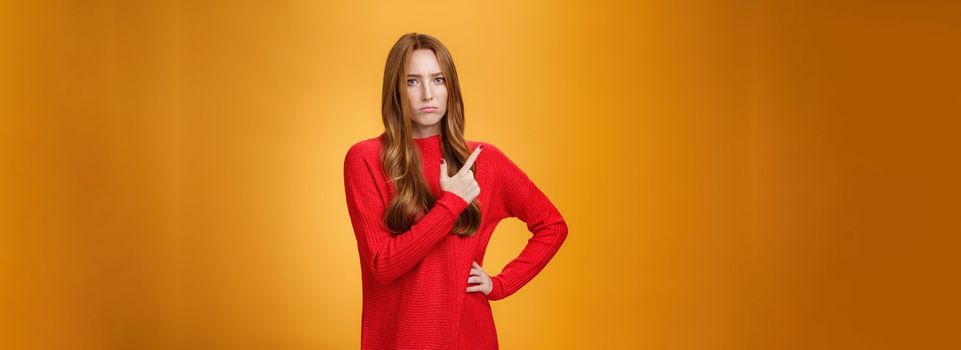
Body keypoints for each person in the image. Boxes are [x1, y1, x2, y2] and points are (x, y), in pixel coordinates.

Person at [343, 32, 568, 349]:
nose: (427, 94)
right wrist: (451, 204)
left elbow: (552, 225)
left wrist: (500, 284)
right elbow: (383, 266)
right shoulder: (365, 159)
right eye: (412, 81)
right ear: (395, 90)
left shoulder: (484, 161)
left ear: (451, 88)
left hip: (469, 336)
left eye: (438, 80)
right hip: (398, 339)